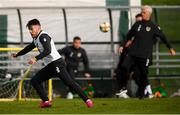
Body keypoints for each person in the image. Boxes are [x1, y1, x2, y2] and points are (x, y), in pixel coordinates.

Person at [11, 19, 93, 108]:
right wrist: (18, 54)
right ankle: (46, 101)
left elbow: (48, 51)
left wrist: (35, 58)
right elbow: (29, 48)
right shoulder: (36, 39)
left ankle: (87, 100)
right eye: (29, 30)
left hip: (57, 64)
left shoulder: (43, 36)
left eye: (32, 29)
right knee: (35, 81)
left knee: (69, 82)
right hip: (50, 66)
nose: (30, 31)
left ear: (38, 27)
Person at [118, 5, 176, 99]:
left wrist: (170, 48)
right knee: (124, 67)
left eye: (144, 12)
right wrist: (122, 45)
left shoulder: (153, 26)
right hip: (133, 53)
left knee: (143, 76)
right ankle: (123, 87)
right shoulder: (137, 24)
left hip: (145, 56)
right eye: (142, 12)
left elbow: (163, 37)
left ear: (149, 14)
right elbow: (128, 35)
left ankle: (142, 94)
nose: (142, 14)